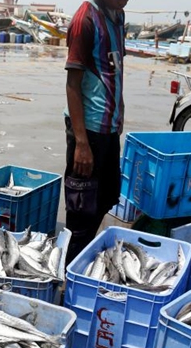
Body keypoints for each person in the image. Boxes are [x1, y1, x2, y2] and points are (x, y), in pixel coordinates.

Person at [63, 0, 128, 264]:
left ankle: (86, 255)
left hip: (109, 129)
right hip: (87, 131)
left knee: (108, 195)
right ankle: (70, 272)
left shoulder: (117, 17)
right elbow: (72, 84)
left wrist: (120, 108)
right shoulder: (85, 20)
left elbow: (115, 71)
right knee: (80, 211)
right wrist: (81, 143)